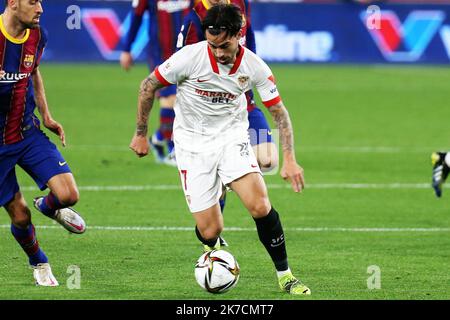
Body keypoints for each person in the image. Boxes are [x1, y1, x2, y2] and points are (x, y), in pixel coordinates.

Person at [130, 4, 310, 295]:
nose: (219, 52)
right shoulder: (190, 57)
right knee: (211, 230)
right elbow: (147, 86)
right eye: (213, 45)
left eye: (224, 45)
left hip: (231, 139)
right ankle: (212, 247)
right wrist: (141, 134)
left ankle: (285, 275)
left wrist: (289, 158)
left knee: (260, 205)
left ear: (239, 35)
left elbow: (279, 113)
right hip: (192, 146)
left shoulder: (254, 66)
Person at [0, 0, 86, 287]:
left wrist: (46, 115)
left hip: (26, 133)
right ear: (13, 4)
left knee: (69, 195)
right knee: (21, 217)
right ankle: (39, 261)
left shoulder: (37, 35)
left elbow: (34, 71)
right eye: (32, 2)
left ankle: (48, 207)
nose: (40, 8)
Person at [177, 0, 278, 223]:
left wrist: (250, 71)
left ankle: (229, 172)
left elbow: (248, 37)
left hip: (244, 103)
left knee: (269, 160)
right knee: (217, 188)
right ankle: (213, 233)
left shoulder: (241, 4)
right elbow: (184, 63)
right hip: (213, 110)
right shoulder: (195, 17)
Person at [120, 0, 193, 166]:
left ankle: (159, 138)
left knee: (185, 101)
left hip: (186, 52)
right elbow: (136, 17)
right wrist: (126, 49)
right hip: (160, 54)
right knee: (171, 99)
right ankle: (174, 148)